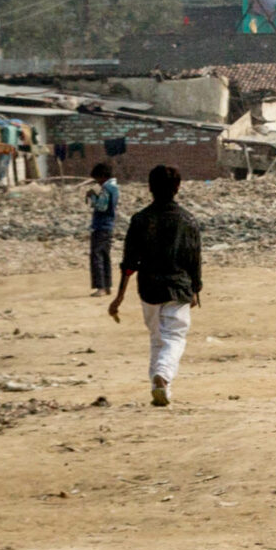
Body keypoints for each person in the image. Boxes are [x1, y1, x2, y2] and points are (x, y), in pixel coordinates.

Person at [107, 163, 203, 408]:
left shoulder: (140, 219)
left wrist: (119, 296)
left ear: (150, 188)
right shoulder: (188, 220)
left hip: (149, 287)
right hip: (179, 286)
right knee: (174, 336)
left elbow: (129, 263)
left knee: (157, 338)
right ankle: (163, 375)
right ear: (177, 188)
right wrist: (196, 289)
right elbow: (193, 258)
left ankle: (160, 389)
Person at [84, 160, 119, 296]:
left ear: (103, 176)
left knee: (97, 256)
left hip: (101, 226)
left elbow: (101, 206)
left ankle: (101, 287)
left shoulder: (106, 189)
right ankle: (107, 285)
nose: (97, 182)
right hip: (108, 226)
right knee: (105, 256)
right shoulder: (114, 188)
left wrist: (93, 196)